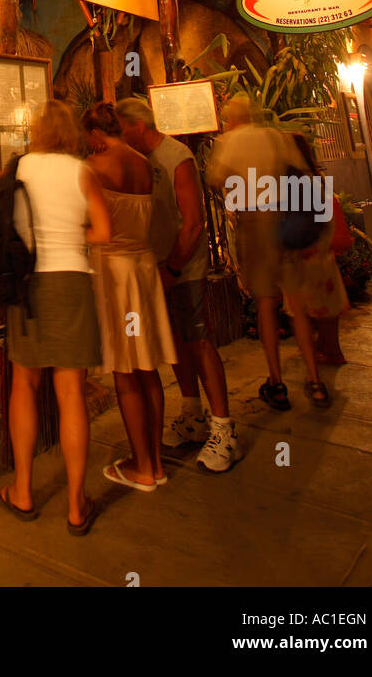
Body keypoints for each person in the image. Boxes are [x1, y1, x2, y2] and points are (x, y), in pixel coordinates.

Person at [0, 100, 112, 535]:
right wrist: (70, 233)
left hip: (28, 284)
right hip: (71, 283)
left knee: (24, 384)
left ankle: (23, 491)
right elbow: (103, 232)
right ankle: (75, 505)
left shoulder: (19, 168)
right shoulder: (82, 171)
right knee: (71, 393)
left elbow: (4, 225)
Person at [116, 97, 244, 472]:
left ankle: (224, 428)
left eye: (123, 129)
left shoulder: (177, 157)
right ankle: (193, 415)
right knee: (176, 342)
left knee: (199, 340)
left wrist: (173, 268)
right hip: (158, 266)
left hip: (182, 267)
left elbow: (193, 222)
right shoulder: (140, 161)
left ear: (137, 126)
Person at [206, 97, 331, 410]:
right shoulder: (274, 137)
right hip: (284, 221)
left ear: (230, 120)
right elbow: (300, 173)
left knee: (265, 303)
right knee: (296, 305)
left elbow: (215, 180)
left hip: (254, 224)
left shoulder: (229, 142)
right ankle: (315, 381)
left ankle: (276, 382)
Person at [83, 102, 177, 490]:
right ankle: (154, 460)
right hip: (144, 268)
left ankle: (142, 467)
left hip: (115, 273)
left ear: (93, 134)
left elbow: (89, 222)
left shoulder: (94, 168)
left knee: (124, 372)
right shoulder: (145, 164)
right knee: (149, 368)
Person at [284, 134, 350, 366]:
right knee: (325, 309)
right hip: (322, 254)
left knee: (314, 307)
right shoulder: (314, 178)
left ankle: (330, 350)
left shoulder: (299, 182)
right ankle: (327, 347)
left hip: (312, 254)